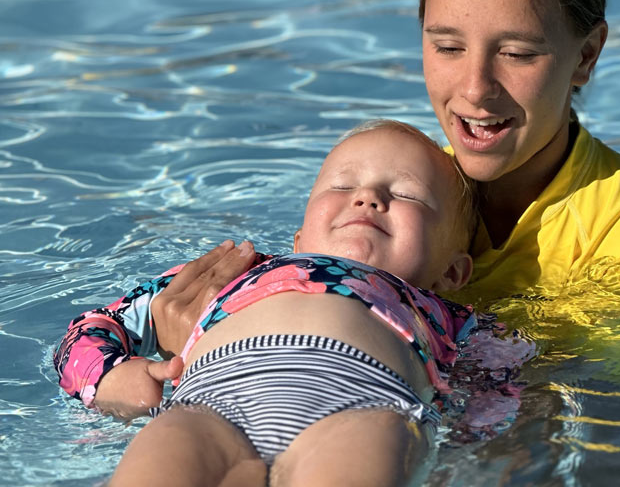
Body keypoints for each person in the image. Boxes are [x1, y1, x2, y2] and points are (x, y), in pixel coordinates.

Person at [149, 0, 620, 380]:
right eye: (447, 47)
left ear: (586, 55)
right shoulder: (400, 192)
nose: (474, 89)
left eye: (517, 53)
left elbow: (608, 421)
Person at [53, 120, 515, 487]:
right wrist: (108, 378)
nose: (367, 197)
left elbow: (504, 382)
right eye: (341, 185)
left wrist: (468, 446)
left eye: (406, 194)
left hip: (363, 411)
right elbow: (93, 327)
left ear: (452, 273)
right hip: (207, 410)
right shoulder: (242, 268)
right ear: (299, 239)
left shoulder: (445, 313)